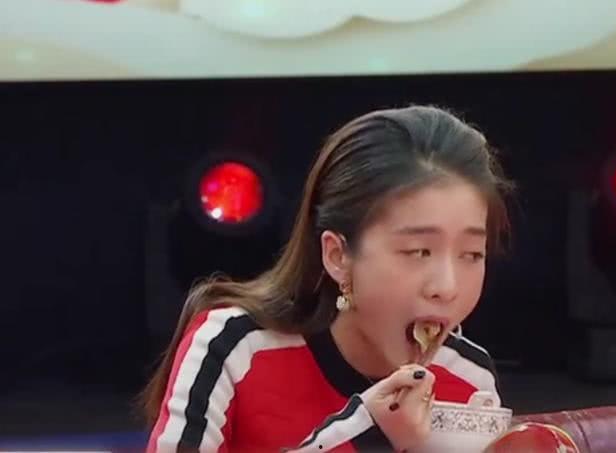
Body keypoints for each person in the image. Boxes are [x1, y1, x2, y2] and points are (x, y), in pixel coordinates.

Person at [142, 105, 514, 452]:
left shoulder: (469, 377)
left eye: (472, 254)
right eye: (418, 252)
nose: (447, 287)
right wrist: (364, 434)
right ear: (338, 256)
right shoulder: (234, 347)